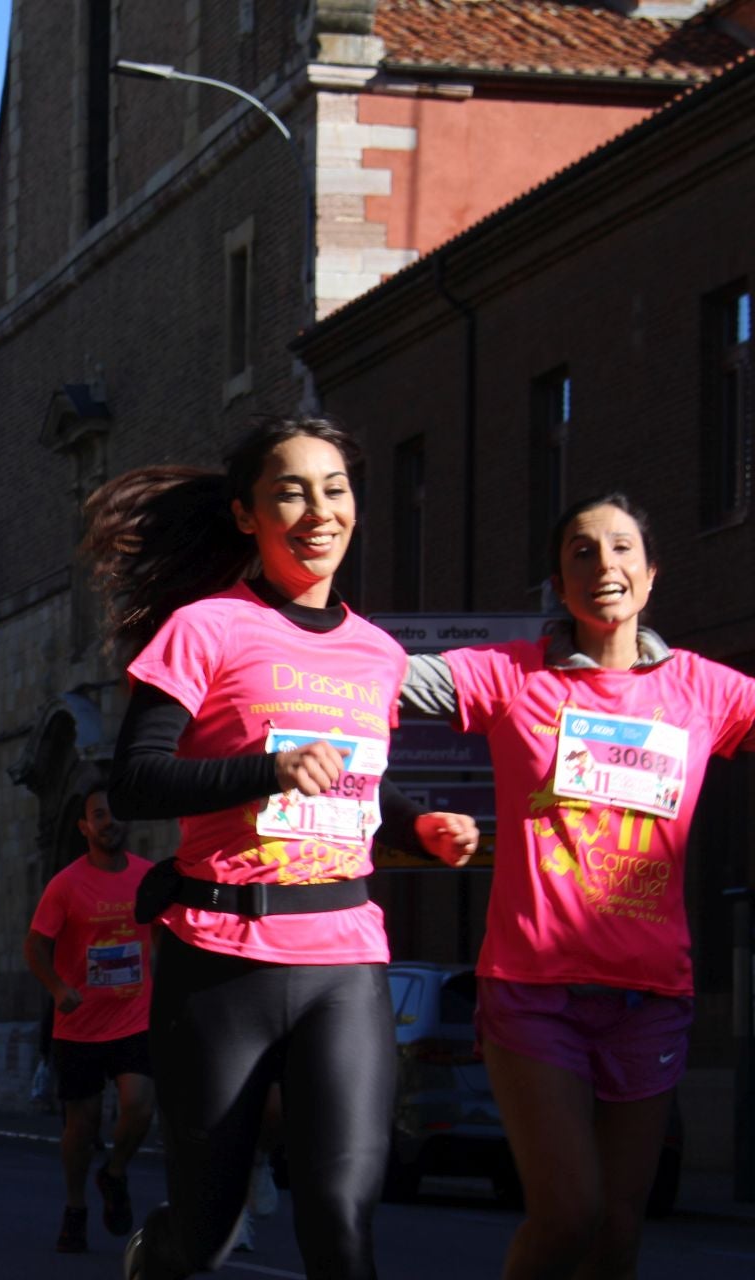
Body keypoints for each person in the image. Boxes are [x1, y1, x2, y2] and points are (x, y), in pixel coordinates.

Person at [87, 417, 478, 1279]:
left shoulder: (377, 654)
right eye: (290, 493)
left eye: (334, 490)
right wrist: (267, 771)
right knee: (207, 1232)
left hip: (345, 958)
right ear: (247, 514)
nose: (318, 510)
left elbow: (353, 783)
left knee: (340, 1221)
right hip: (220, 958)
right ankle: (160, 1252)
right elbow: (137, 783)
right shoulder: (206, 628)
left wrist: (418, 827)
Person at [398, 493, 755, 1280]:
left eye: (622, 548)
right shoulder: (512, 676)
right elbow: (387, 677)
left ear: (652, 575)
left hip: (650, 998)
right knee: (568, 1213)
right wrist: (290, 638)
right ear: (558, 585)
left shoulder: (704, 691)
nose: (604, 565)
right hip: (534, 991)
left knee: (619, 1234)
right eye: (581, 552)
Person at [25, 791, 157, 1252]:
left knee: (139, 1105)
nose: (109, 822)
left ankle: (114, 1172)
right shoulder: (65, 885)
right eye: (99, 815)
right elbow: (35, 947)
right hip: (80, 1024)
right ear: (84, 828)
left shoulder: (148, 877)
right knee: (81, 1126)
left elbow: (168, 932)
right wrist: (59, 989)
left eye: (115, 813)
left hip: (134, 1017)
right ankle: (75, 1206)